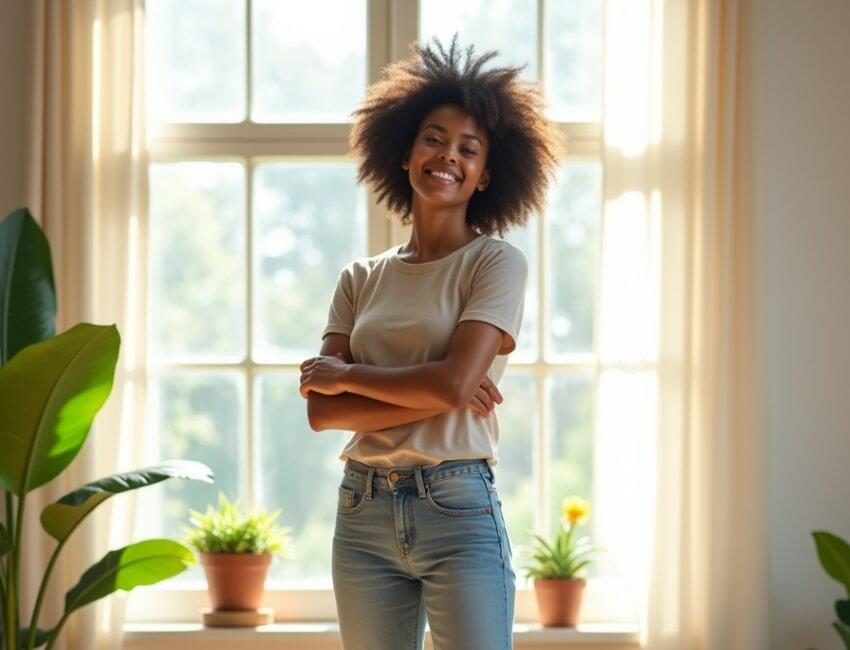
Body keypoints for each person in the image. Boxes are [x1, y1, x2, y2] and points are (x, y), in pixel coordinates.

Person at [298, 33, 563, 650]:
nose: (448, 156)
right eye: (434, 140)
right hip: (361, 509)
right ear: (404, 153)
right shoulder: (360, 277)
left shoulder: (495, 264)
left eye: (468, 149)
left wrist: (347, 375)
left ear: (486, 175)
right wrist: (446, 389)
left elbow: (439, 384)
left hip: (457, 504)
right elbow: (322, 413)